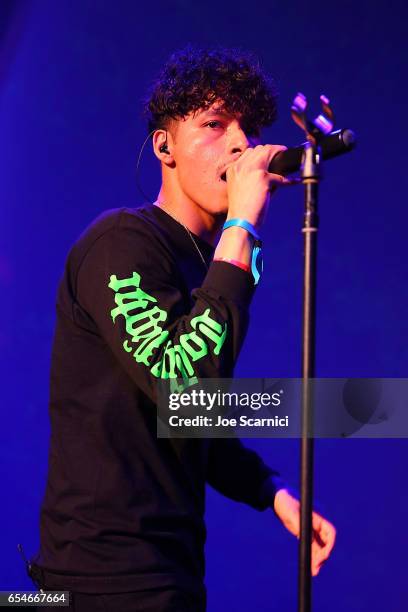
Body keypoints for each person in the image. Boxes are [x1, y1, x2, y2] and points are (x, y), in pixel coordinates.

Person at [27, 46, 336, 611]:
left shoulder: (206, 261)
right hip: (93, 585)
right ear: (163, 144)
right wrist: (241, 226)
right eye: (215, 125)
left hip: (170, 576)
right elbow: (185, 383)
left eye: (246, 127)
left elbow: (191, 417)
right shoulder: (121, 242)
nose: (240, 143)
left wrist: (271, 493)